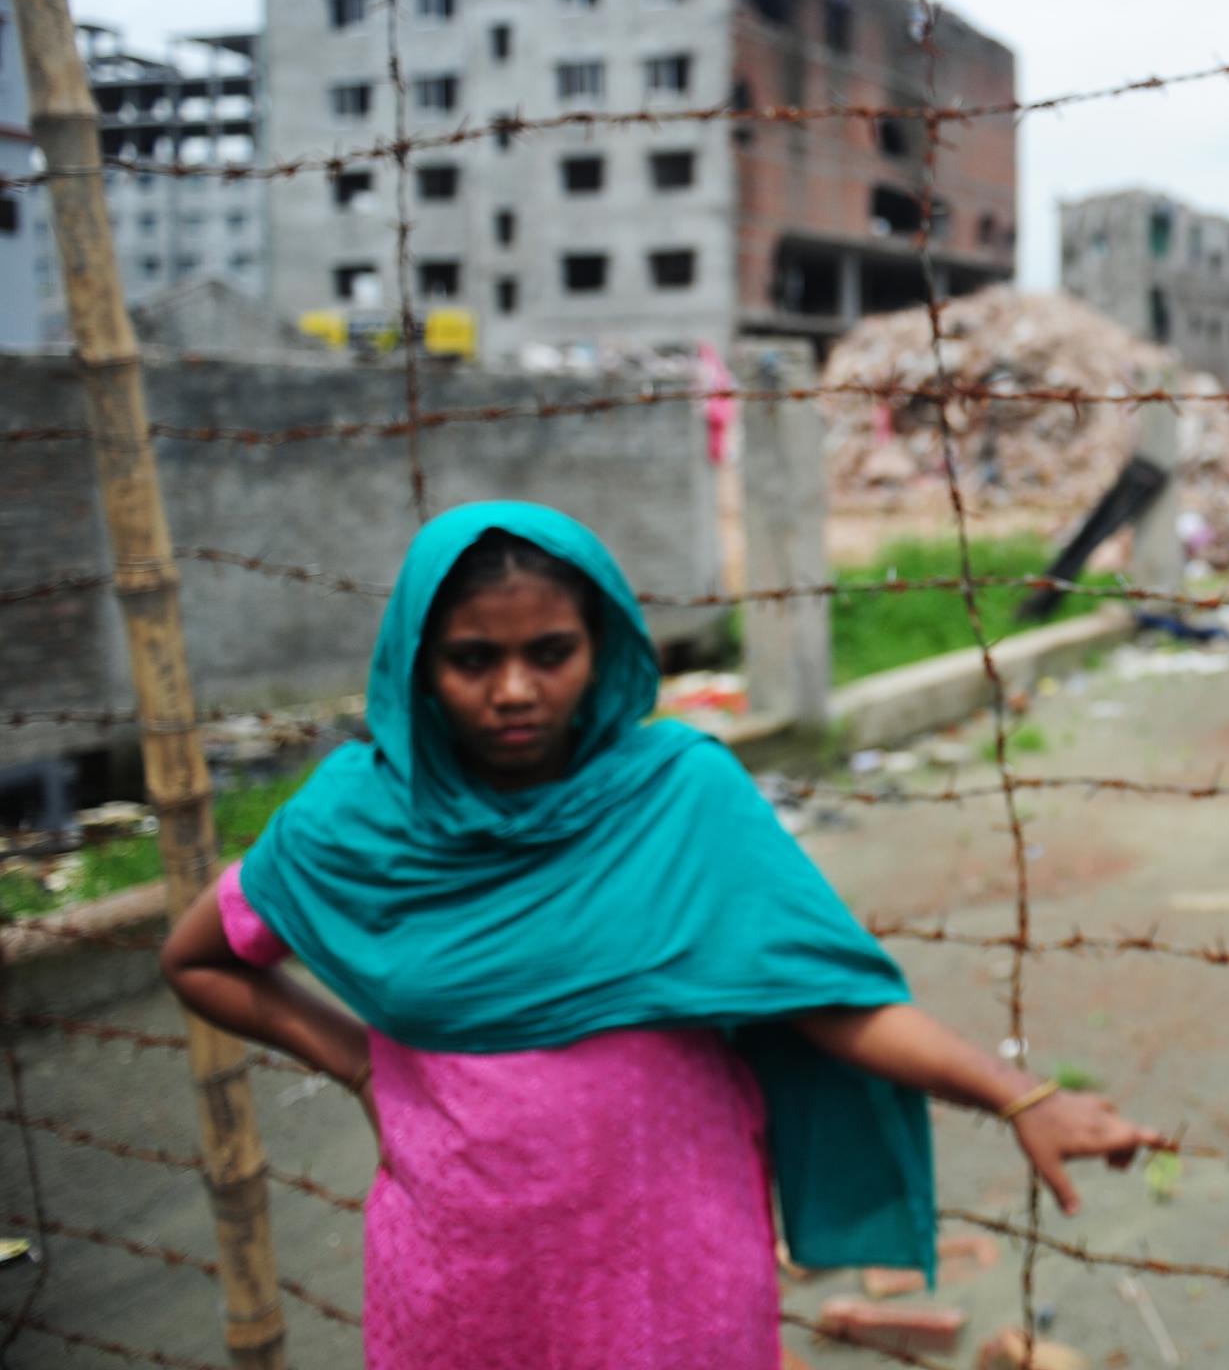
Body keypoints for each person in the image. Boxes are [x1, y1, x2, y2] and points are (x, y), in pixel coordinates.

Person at [164, 502, 1156, 1369]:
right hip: (462, 1274)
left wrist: (1015, 1093)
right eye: (474, 658)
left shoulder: (680, 795)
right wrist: (357, 1063)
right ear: (419, 666)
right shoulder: (355, 822)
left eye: (549, 651)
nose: (514, 689)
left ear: (603, 650)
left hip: (671, 1266)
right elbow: (199, 959)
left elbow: (831, 999)